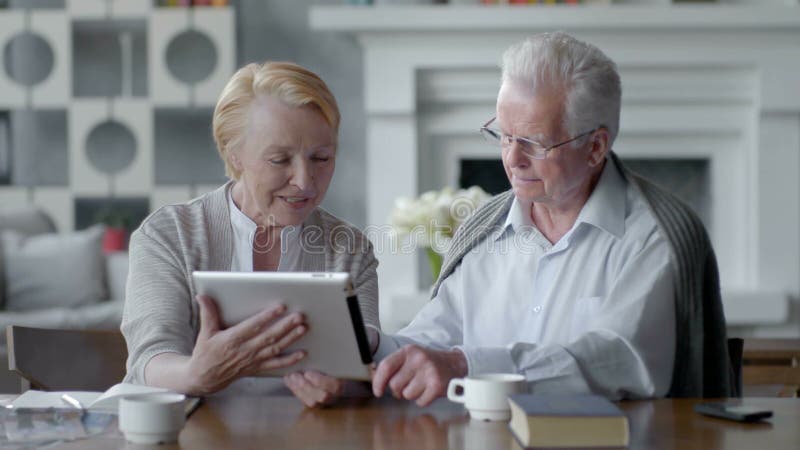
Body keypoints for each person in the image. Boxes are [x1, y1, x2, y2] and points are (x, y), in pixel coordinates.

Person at [371, 32, 732, 406]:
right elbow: (433, 338)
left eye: (534, 143)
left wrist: (465, 365)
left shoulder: (656, 236)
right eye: (503, 136)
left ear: (595, 147)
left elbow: (617, 359)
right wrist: (369, 347)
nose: (512, 159)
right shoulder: (483, 229)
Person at [121, 61, 380, 407]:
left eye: (321, 158)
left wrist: (343, 386)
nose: (305, 181)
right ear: (235, 154)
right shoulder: (168, 236)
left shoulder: (350, 249)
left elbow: (366, 364)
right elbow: (149, 358)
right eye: (279, 160)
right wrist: (195, 375)